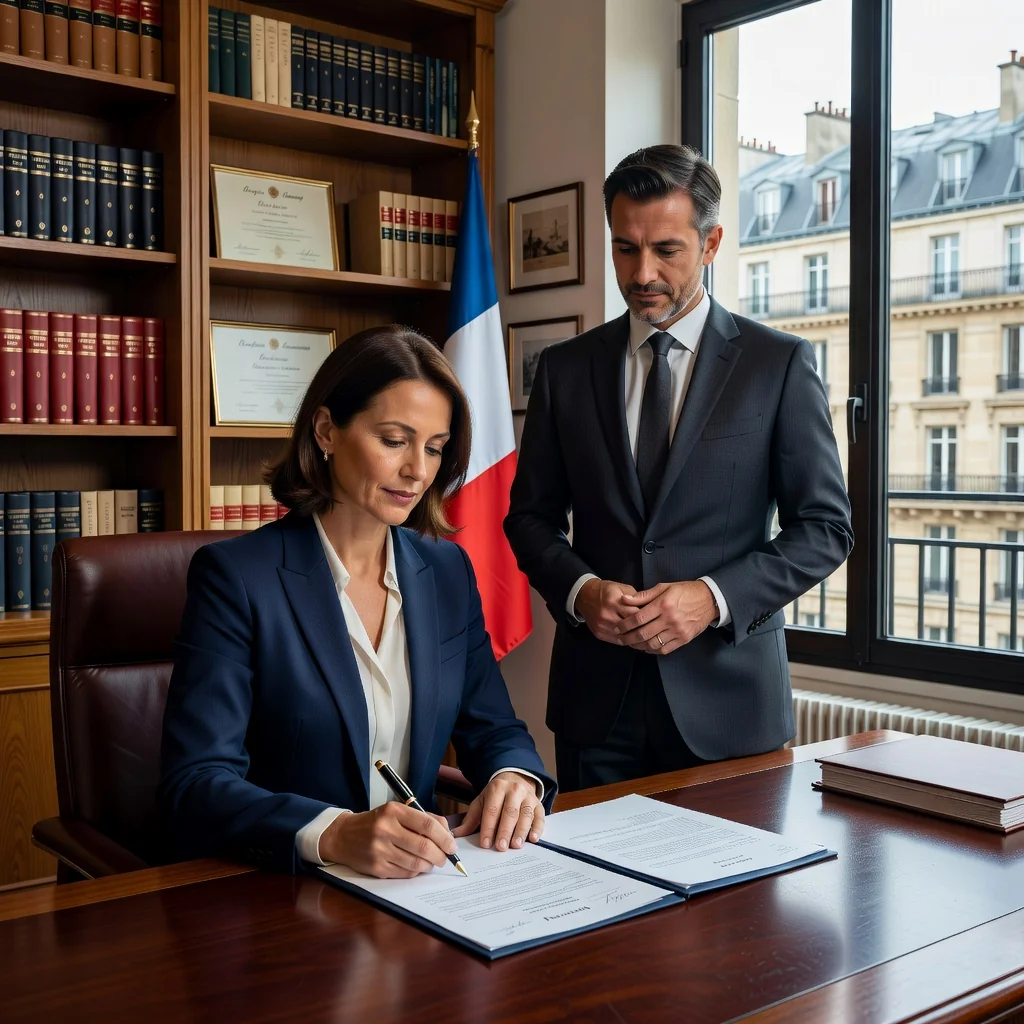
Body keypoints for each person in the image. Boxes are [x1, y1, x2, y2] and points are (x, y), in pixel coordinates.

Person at [505, 144, 853, 792]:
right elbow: (529, 517)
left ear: (711, 243)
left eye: (666, 250)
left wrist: (712, 598)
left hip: (729, 705)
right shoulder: (565, 368)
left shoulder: (777, 364)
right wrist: (582, 592)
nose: (642, 273)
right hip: (595, 707)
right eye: (625, 248)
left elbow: (825, 528)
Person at [160, 325, 555, 876]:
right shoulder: (236, 578)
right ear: (327, 430)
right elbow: (196, 782)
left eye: (434, 448)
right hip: (281, 886)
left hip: (417, 884)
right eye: (394, 441)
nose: (418, 470)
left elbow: (494, 727)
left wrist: (514, 775)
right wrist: (334, 833)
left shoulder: (447, 571)